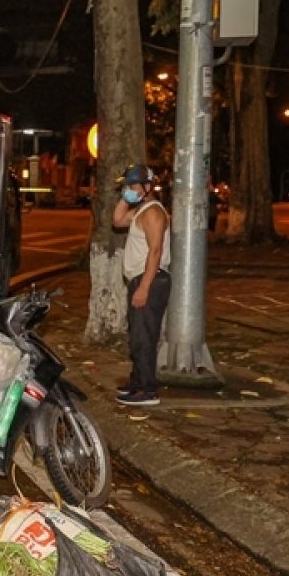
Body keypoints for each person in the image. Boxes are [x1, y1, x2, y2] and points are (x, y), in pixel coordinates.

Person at [113, 164, 171, 407]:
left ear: (147, 188)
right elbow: (117, 220)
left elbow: (155, 251)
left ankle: (147, 390)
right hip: (141, 279)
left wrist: (144, 287)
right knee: (137, 336)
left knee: (144, 337)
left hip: (151, 279)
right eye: (126, 186)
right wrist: (127, 197)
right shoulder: (142, 210)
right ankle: (137, 383)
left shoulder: (153, 213)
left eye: (133, 186)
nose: (128, 190)